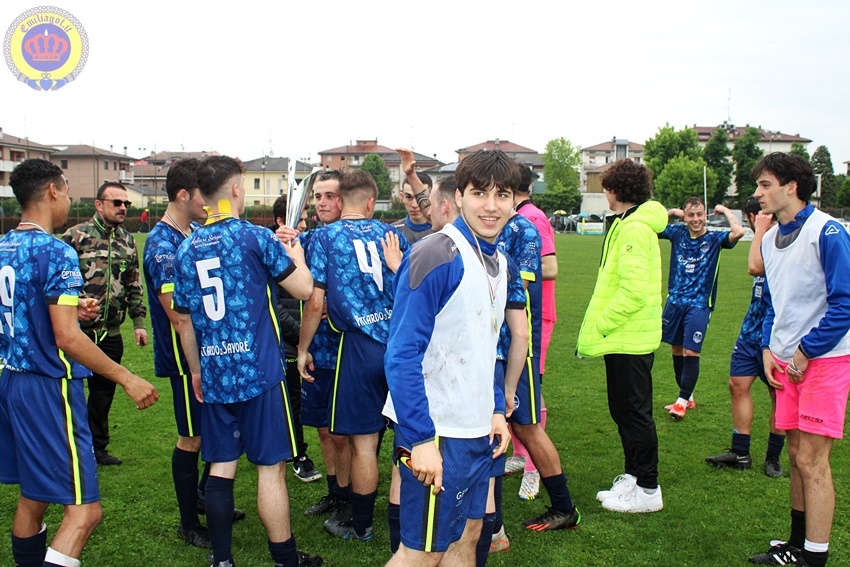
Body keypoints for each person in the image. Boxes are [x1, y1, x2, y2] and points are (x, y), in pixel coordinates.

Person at [0, 158, 158, 567]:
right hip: (47, 386)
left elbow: (24, 309)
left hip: (11, 379)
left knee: (33, 496)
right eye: (68, 192)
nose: (70, 201)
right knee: (85, 512)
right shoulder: (56, 250)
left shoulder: (4, 246)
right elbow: (67, 337)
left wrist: (73, 308)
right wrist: (127, 377)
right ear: (53, 191)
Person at [172, 156, 321, 567]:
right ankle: (285, 558)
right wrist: (295, 252)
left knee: (221, 467)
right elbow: (304, 289)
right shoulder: (254, 237)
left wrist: (197, 371)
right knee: (270, 469)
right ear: (236, 189)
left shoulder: (185, 248)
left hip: (216, 373)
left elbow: (184, 321)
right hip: (260, 373)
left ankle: (222, 559)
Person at [382, 149, 516, 566]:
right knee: (420, 555)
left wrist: (496, 409)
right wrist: (420, 439)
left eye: (502, 195)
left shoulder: (500, 262)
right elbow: (401, 354)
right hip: (437, 430)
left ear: (514, 201)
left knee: (468, 537)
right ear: (458, 197)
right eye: (479, 193)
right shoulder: (437, 254)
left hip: (477, 429)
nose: (491, 206)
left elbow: (485, 345)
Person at [747, 153, 850, 567]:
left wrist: (806, 351)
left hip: (825, 361)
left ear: (791, 187)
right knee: (794, 454)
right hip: (786, 362)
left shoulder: (828, 231)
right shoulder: (771, 239)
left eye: (765, 185)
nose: (758, 194)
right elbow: (776, 303)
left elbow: (844, 304)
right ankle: (796, 543)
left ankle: (815, 558)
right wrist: (769, 349)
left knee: (812, 460)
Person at [297, 169, 408, 542]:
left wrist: (302, 348)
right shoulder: (392, 234)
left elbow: (315, 302)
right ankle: (404, 517)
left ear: (341, 199)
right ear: (372, 201)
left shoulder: (326, 237)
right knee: (405, 438)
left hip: (358, 350)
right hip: (398, 345)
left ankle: (361, 525)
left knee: (363, 444)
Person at [143, 158, 247, 550]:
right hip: (187, 361)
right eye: (203, 194)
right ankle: (189, 524)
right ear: (184, 194)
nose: (209, 202)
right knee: (192, 437)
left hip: (211, 354)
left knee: (213, 432)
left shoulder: (194, 233)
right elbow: (177, 315)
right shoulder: (162, 246)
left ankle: (205, 497)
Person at [576, 158, 667, 513]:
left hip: (629, 336)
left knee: (634, 413)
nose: (605, 194)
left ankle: (648, 489)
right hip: (623, 337)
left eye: (606, 188)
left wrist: (602, 323)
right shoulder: (627, 224)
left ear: (615, 190)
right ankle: (634, 476)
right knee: (623, 410)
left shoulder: (634, 229)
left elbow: (633, 292)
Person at [62, 181, 149, 465]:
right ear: (99, 205)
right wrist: (75, 307)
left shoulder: (127, 241)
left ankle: (97, 448)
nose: (123, 208)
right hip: (76, 332)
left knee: (103, 393)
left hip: (110, 332)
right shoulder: (75, 236)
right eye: (117, 203)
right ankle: (69, 446)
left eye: (126, 204)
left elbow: (134, 283)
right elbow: (59, 284)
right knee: (71, 391)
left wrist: (138, 322)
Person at [705, 196, 785, 477]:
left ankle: (773, 457)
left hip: (777, 335)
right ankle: (740, 452)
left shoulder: (780, 240)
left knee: (777, 394)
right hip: (750, 330)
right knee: (737, 385)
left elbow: (754, 268)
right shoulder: (762, 239)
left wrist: (760, 231)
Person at [295, 171, 353, 520]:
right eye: (317, 196)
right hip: (318, 348)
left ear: (345, 199)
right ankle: (334, 491)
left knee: (342, 432)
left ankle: (348, 496)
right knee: (322, 427)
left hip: (345, 349)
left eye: (329, 196)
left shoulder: (353, 237)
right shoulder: (310, 239)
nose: (322, 203)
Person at [660, 197, 745, 419]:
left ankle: (680, 402)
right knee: (676, 350)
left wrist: (725, 209)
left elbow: (738, 232)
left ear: (705, 215)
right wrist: (671, 212)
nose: (695, 219)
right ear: (685, 217)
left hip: (699, 304)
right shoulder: (677, 233)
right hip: (675, 302)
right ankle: (687, 397)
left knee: (691, 351)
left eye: (699, 214)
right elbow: (651, 226)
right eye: (691, 215)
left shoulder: (715, 238)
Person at [505, 165, 559, 497]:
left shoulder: (532, 218)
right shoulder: (513, 216)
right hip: (516, 315)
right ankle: (520, 454)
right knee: (514, 389)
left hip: (533, 315)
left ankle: (533, 469)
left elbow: (550, 266)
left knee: (530, 389)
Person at [269, 194, 322, 484]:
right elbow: (275, 308)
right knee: (291, 402)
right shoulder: (272, 250)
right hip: (286, 341)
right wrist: (302, 335)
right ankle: (298, 456)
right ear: (281, 221)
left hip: (302, 337)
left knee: (297, 400)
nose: (303, 225)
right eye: (299, 220)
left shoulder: (299, 247)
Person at [392, 149, 433, 244]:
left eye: (420, 198)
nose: (415, 205)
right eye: (409, 197)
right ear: (402, 197)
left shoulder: (443, 231)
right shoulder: (392, 232)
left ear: (431, 197)